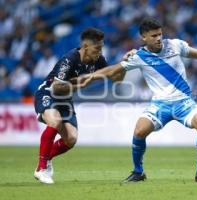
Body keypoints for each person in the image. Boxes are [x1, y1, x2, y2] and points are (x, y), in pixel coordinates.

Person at [77, 18, 197, 183]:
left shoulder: (175, 45)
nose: (158, 38)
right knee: (139, 131)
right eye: (154, 35)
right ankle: (138, 172)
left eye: (160, 34)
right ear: (144, 38)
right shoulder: (139, 56)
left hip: (184, 102)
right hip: (160, 105)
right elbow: (114, 69)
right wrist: (90, 77)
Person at [33, 27, 128, 184]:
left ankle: (47, 157)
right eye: (97, 48)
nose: (99, 51)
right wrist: (83, 83)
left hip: (65, 98)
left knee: (71, 139)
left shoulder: (98, 59)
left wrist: (125, 64)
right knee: (54, 121)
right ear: (85, 46)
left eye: (101, 47)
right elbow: (57, 87)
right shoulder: (69, 59)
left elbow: (117, 79)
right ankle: (41, 168)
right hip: (48, 92)